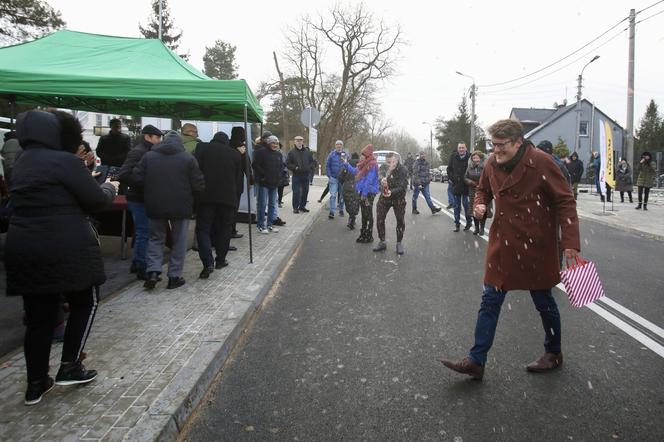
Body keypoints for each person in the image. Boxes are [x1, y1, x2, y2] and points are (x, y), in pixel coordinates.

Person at [440, 119, 580, 381]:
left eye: (501, 145)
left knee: (544, 302)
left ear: (518, 142)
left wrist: (570, 242)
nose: (495, 151)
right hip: (503, 244)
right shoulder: (492, 163)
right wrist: (479, 205)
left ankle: (554, 353)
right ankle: (476, 360)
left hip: (535, 244)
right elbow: (482, 189)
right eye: (492, 145)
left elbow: (565, 200)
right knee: (490, 300)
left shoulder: (541, 162)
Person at [6, 109, 119, 405]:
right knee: (86, 301)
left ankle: (36, 383)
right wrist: (109, 186)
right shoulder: (66, 161)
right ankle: (70, 365)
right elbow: (95, 201)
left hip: (25, 247)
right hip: (66, 246)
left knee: (38, 319)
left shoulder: (20, 163)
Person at [133, 130, 205, 290]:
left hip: (155, 204)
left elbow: (137, 177)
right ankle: (174, 277)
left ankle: (153, 272)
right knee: (179, 241)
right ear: (180, 143)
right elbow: (198, 184)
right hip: (181, 206)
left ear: (163, 141)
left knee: (155, 238)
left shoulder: (149, 156)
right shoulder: (188, 158)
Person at [118, 124, 163, 280]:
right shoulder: (138, 152)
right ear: (147, 137)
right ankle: (141, 267)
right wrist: (145, 183)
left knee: (144, 232)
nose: (159, 141)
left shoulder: (149, 151)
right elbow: (123, 174)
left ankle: (137, 262)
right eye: (157, 138)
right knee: (144, 233)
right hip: (138, 198)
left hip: (144, 197)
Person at [194, 132, 241, 278]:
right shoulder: (235, 154)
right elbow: (238, 179)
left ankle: (207, 263)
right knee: (225, 229)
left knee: (203, 230)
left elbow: (195, 172)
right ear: (227, 142)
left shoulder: (202, 148)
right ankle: (220, 260)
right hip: (228, 199)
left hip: (206, 197)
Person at [342, 144, 379, 243]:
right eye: (362, 154)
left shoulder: (372, 165)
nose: (361, 156)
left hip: (369, 193)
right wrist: (346, 164)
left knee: (368, 213)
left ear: (368, 155)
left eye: (364, 154)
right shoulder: (363, 164)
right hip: (362, 192)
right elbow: (355, 171)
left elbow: (369, 181)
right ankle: (363, 234)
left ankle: (369, 235)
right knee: (364, 213)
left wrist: (364, 194)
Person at [373, 152, 408, 255]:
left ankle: (399, 243)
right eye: (388, 162)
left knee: (400, 220)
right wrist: (381, 182)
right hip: (385, 198)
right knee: (380, 218)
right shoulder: (383, 168)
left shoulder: (403, 170)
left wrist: (391, 191)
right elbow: (378, 178)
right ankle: (382, 241)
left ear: (396, 160)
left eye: (392, 162)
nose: (390, 164)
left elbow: (403, 187)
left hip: (398, 198)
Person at [252, 135, 283, 234]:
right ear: (268, 143)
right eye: (273, 143)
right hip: (264, 182)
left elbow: (281, 167)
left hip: (274, 183)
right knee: (262, 204)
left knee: (273, 204)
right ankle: (261, 225)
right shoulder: (261, 152)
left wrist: (279, 176)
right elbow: (255, 165)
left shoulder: (279, 154)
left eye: (277, 144)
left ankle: (270, 224)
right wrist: (263, 175)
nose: (275, 145)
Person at [230, 126, 251, 239]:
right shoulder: (241, 148)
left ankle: (227, 229)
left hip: (226, 182)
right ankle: (231, 230)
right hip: (237, 182)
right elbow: (246, 165)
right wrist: (251, 180)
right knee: (234, 208)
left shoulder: (227, 144)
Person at [287, 135, 314, 213]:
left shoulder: (307, 152)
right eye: (297, 140)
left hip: (306, 175)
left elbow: (312, 162)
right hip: (296, 175)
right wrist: (295, 167)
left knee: (305, 191)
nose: (299, 142)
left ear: (303, 142)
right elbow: (288, 163)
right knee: (296, 192)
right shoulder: (291, 152)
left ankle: (302, 206)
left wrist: (309, 167)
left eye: (301, 140)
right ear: (294, 142)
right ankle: (295, 207)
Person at [448, 142, 472, 232]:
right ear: (457, 148)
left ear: (466, 148)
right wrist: (452, 178)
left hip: (466, 186)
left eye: (463, 148)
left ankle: (469, 222)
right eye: (460, 148)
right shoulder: (453, 156)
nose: (461, 149)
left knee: (466, 206)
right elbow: (449, 169)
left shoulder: (470, 157)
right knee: (456, 206)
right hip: (456, 185)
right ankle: (457, 224)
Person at [464, 150, 488, 236]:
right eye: (474, 158)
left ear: (480, 158)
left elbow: (488, 177)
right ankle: (476, 228)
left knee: (482, 209)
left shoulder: (485, 166)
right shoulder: (469, 167)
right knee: (474, 209)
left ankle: (482, 228)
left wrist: (482, 184)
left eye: (477, 157)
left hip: (483, 191)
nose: (475, 159)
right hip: (473, 190)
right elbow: (465, 178)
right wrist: (472, 183)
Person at [411, 151, 441, 215]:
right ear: (419, 155)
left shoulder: (427, 163)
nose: (423, 156)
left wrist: (429, 179)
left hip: (425, 183)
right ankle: (414, 209)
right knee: (415, 197)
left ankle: (433, 209)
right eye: (421, 155)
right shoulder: (416, 163)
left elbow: (428, 172)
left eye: (424, 154)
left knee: (427, 197)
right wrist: (419, 184)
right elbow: (415, 174)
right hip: (418, 183)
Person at [325, 140, 348, 219]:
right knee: (333, 195)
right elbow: (327, 166)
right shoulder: (331, 155)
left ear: (342, 146)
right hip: (333, 178)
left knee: (342, 196)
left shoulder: (345, 155)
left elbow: (348, 166)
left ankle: (341, 209)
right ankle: (332, 211)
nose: (339, 146)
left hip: (342, 179)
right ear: (335, 146)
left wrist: (347, 175)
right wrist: (329, 176)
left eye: (340, 145)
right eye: (337, 145)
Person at [338, 152, 360, 230]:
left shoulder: (346, 165)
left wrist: (344, 183)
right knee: (355, 203)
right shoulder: (361, 166)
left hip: (347, 186)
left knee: (348, 203)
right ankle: (352, 218)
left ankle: (351, 217)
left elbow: (340, 177)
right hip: (357, 187)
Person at [277, 143, 290, 208]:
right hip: (275, 175)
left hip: (282, 174)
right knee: (275, 189)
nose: (276, 146)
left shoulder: (283, 154)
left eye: (278, 145)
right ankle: (277, 201)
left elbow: (286, 163)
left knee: (280, 189)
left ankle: (279, 201)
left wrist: (285, 171)